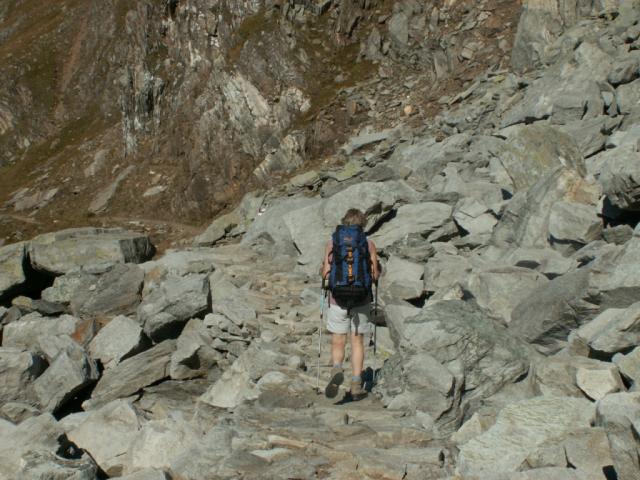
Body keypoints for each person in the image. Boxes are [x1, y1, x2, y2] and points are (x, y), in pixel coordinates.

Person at [321, 208, 379, 399]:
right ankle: (356, 383)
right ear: (362, 225)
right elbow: (374, 275)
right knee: (357, 341)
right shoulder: (369, 244)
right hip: (361, 298)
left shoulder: (333, 243)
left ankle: (337, 368)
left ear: (344, 222)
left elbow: (326, 272)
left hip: (338, 298)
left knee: (338, 338)